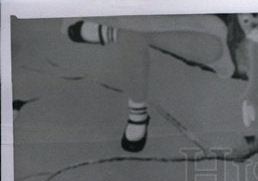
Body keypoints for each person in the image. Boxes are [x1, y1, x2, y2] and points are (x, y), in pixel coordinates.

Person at [65, 15, 235, 151]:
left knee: (213, 47)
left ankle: (113, 33)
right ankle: (137, 109)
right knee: (132, 31)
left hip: (198, 20)